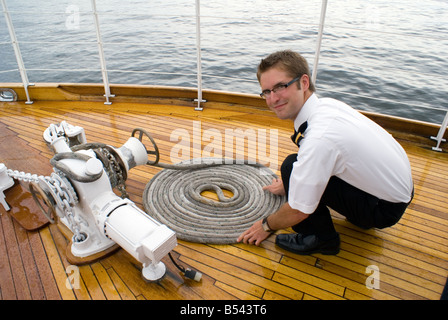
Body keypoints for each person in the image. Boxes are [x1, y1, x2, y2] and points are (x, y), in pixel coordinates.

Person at [237, 50, 414, 255]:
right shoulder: (326, 106)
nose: (273, 99)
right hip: (392, 193)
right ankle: (357, 216)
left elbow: (299, 210)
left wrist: (266, 225)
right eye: (266, 91)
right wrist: (289, 185)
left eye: (280, 86)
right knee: (295, 170)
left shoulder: (320, 137)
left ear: (303, 83)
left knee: (291, 167)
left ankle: (322, 240)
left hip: (382, 210)